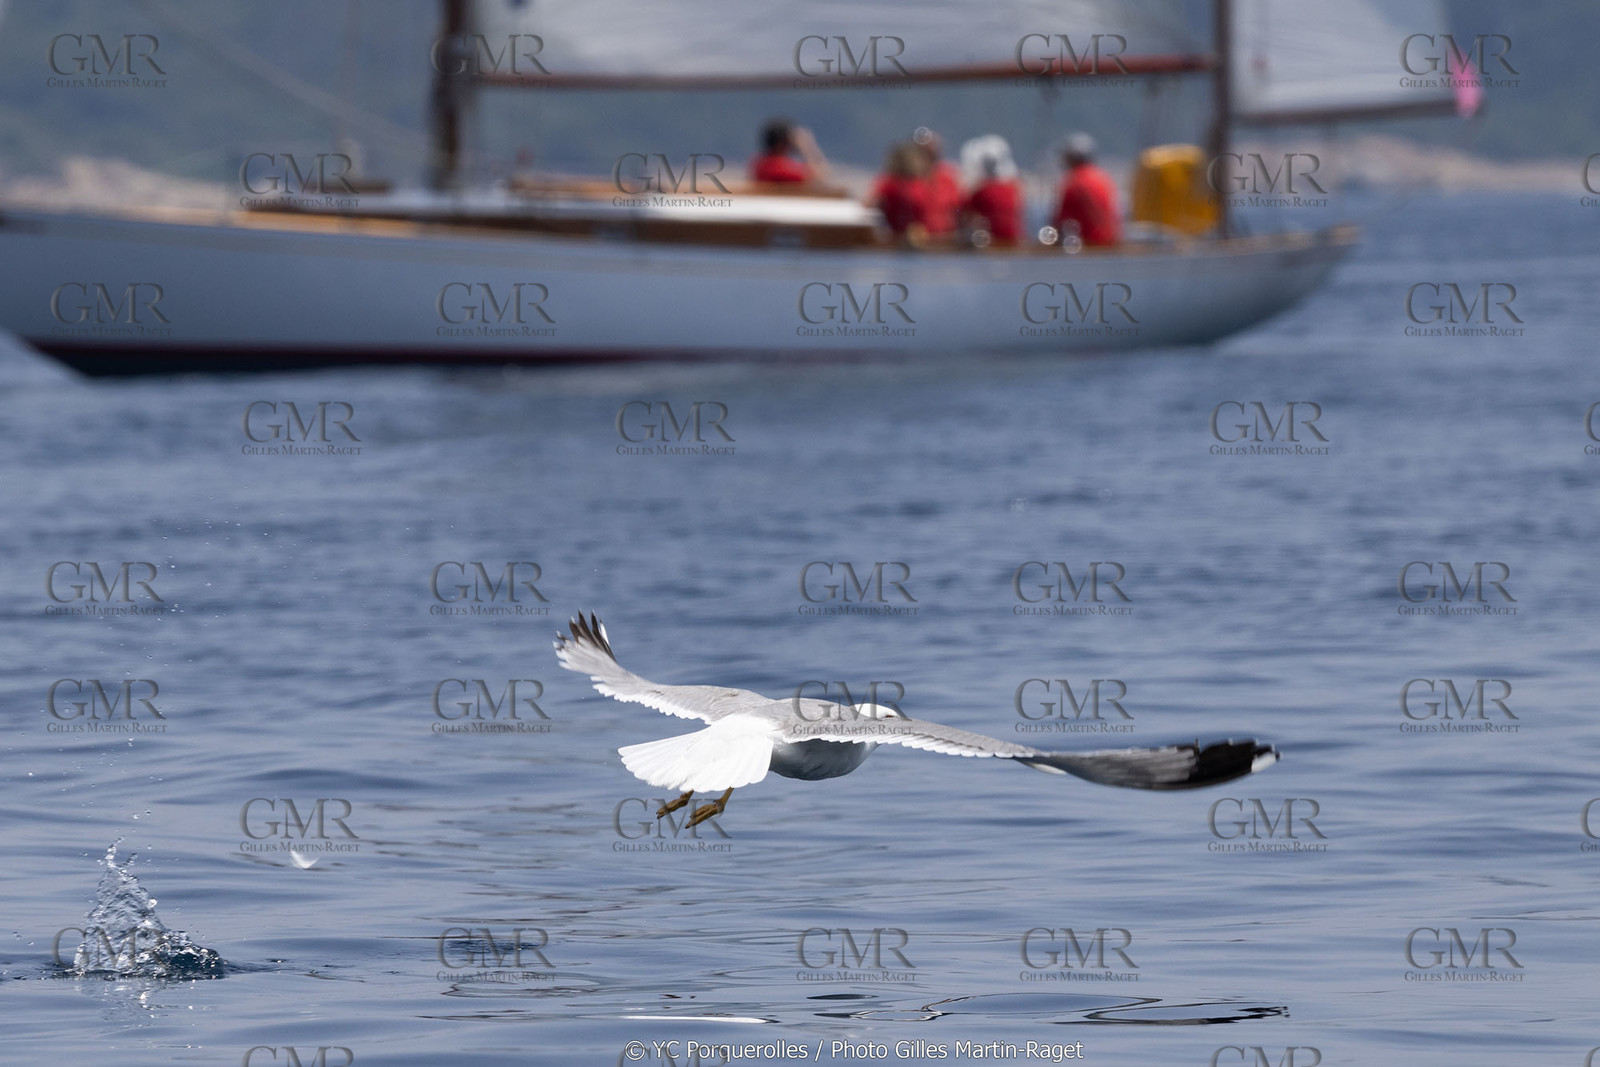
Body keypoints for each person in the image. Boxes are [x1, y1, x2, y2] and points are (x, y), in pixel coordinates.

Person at [1049, 132, 1122, 247]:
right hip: (1110, 244)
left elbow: (1057, 225)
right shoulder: (1104, 179)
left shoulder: (1073, 182)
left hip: (1089, 247)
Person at [958, 135, 1022, 246]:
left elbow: (963, 216)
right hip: (1013, 241)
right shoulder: (1013, 189)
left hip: (992, 243)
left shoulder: (981, 192)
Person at [872, 141, 929, 241]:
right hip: (893, 236)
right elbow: (873, 204)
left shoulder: (919, 184)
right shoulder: (888, 184)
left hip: (919, 236)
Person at [912, 127, 964, 236]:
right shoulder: (907, 179)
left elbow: (960, 209)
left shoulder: (948, 179)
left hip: (945, 240)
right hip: (917, 242)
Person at [748, 119, 828, 184]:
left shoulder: (760, 162)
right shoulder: (779, 166)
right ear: (781, 144)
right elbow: (820, 175)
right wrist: (807, 147)